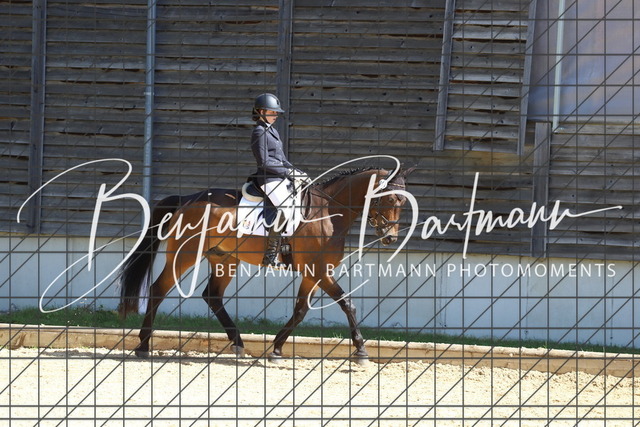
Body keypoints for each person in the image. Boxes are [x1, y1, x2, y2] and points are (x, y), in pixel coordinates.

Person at [250, 93, 305, 268]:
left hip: (280, 177)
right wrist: (288, 172)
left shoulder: (272, 131)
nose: (275, 115)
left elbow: (282, 160)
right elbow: (264, 162)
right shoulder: (259, 132)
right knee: (285, 209)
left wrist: (297, 171)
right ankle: (270, 256)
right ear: (261, 111)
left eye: (276, 112)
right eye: (272, 112)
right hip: (268, 179)